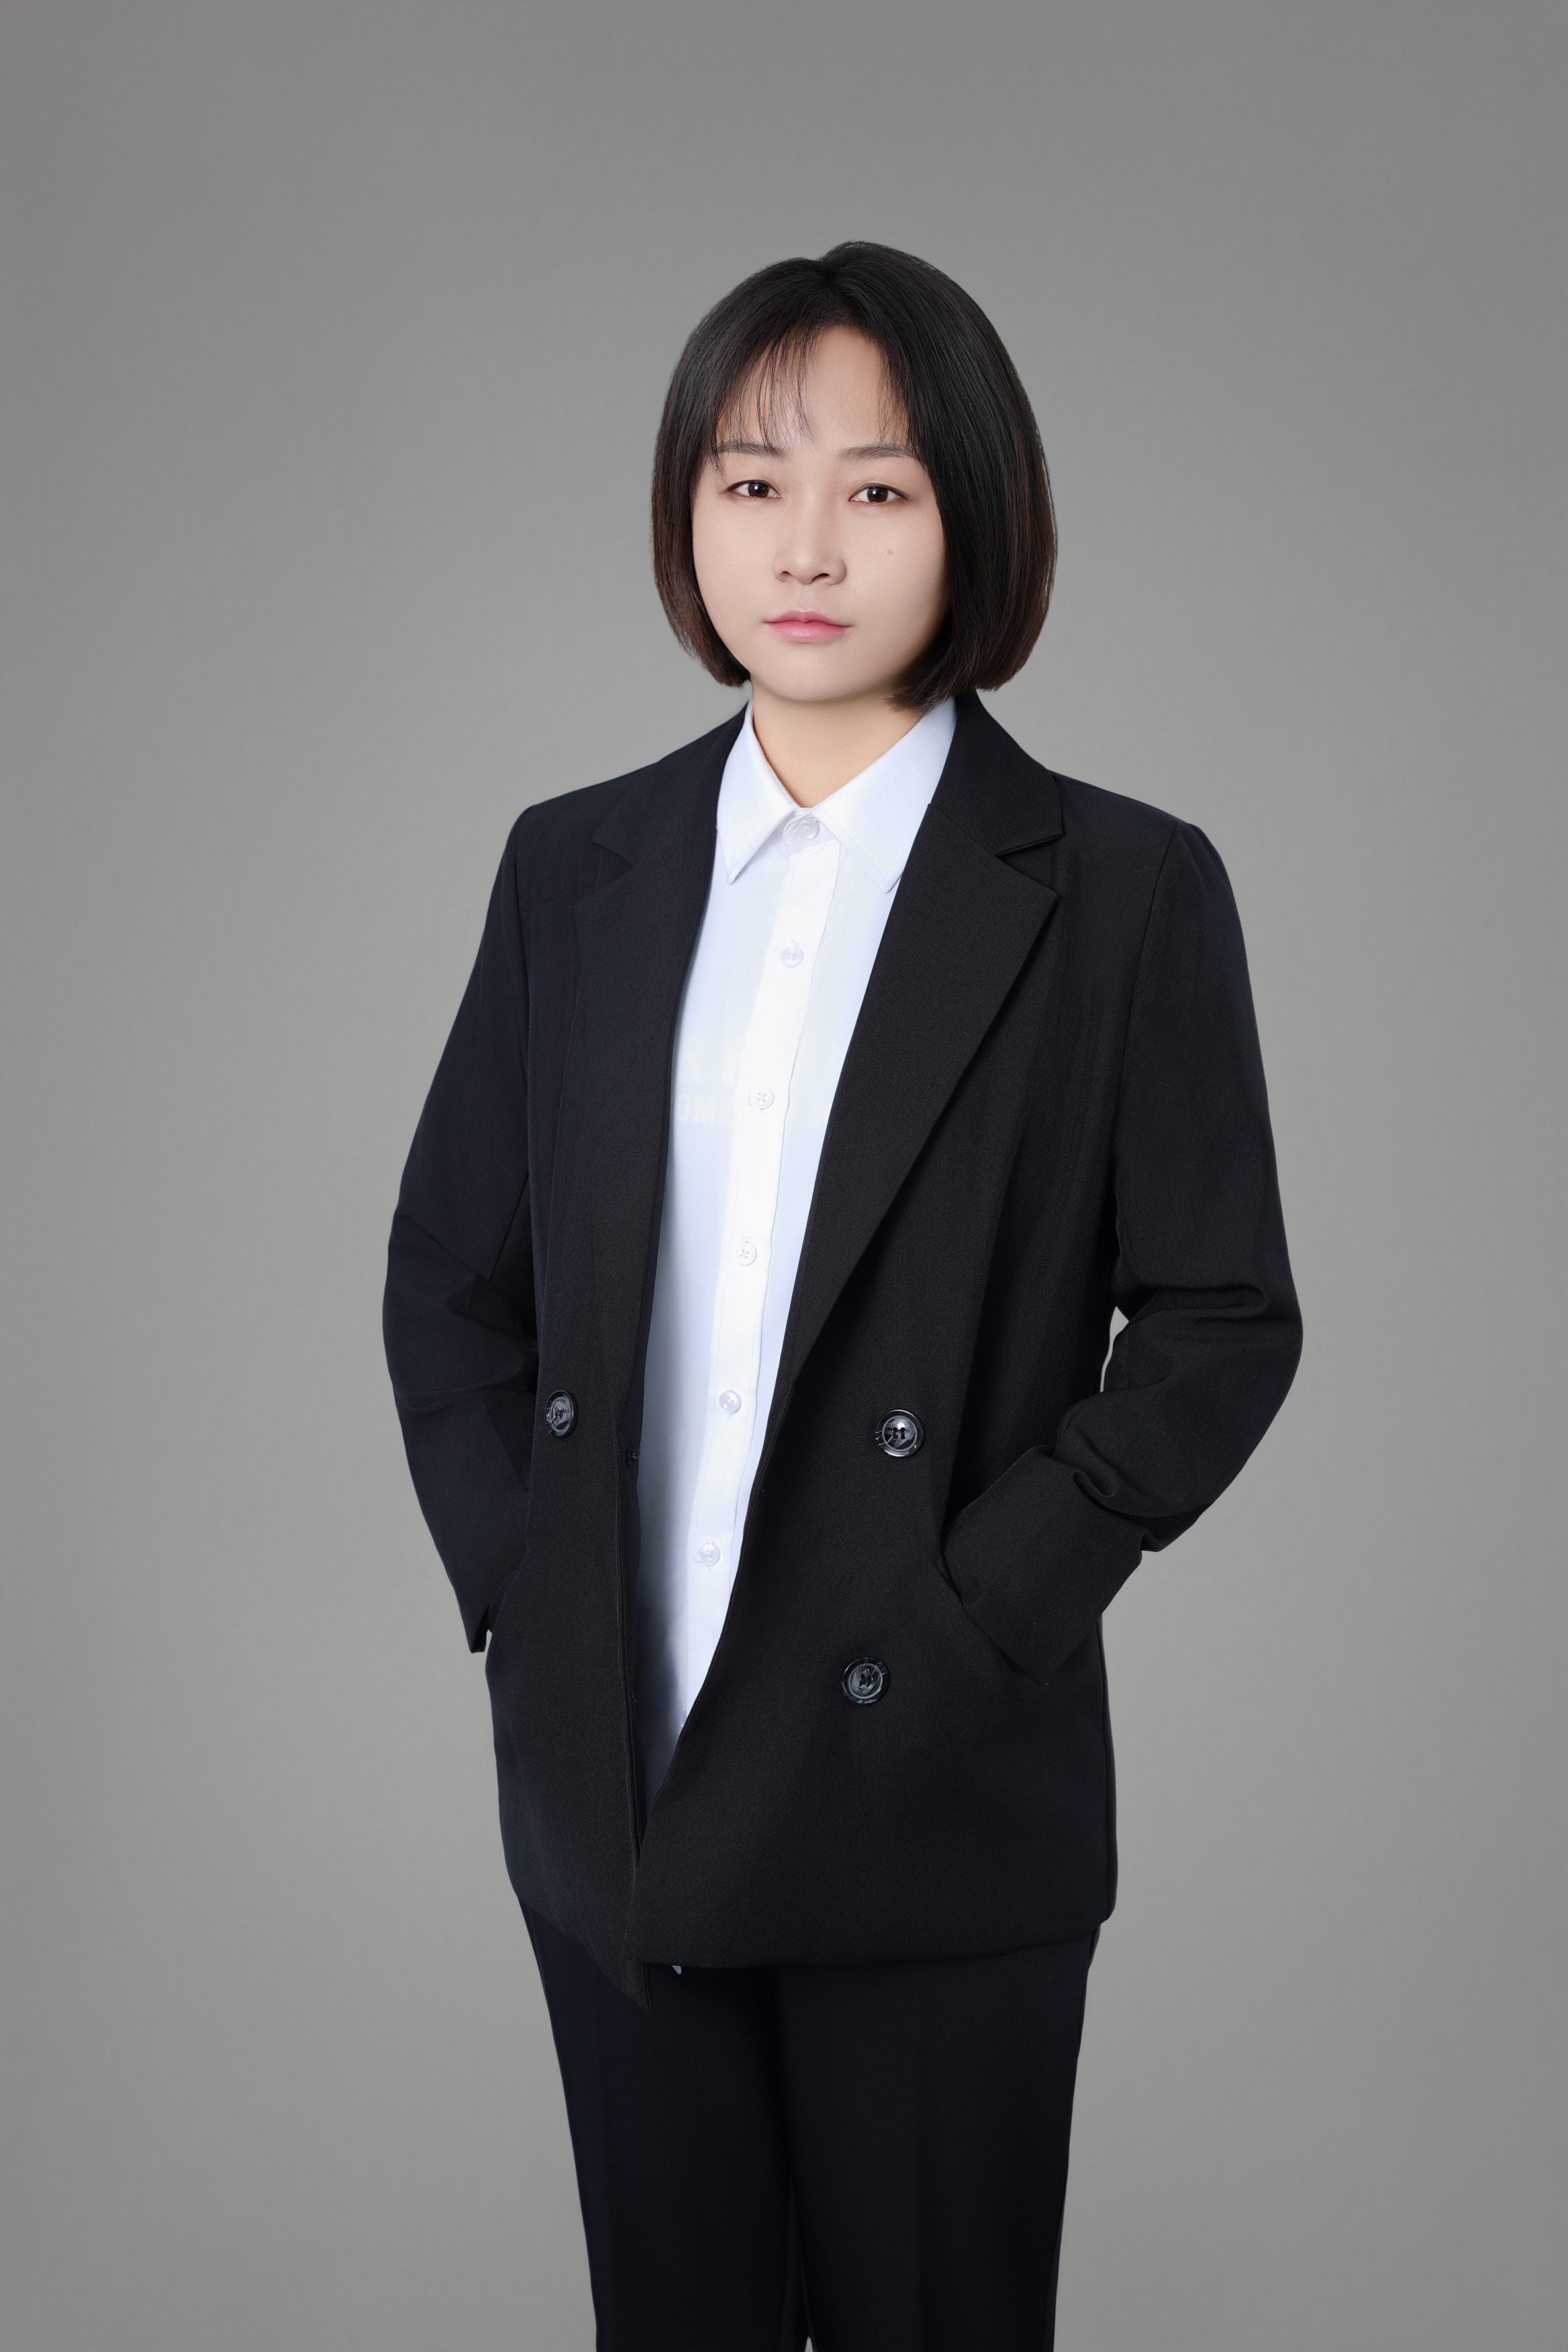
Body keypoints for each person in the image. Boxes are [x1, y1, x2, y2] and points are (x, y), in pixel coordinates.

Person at [382, 240, 1302, 2351]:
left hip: (936, 1791)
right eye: (751, 481)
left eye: (878, 488)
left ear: (976, 516)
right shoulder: (574, 868)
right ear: (688, 514)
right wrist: (527, 1592)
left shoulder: (1119, 888)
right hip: (622, 1780)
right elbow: (450, 1274)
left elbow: (1221, 1319)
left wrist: (982, 1615)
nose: (805, 546)